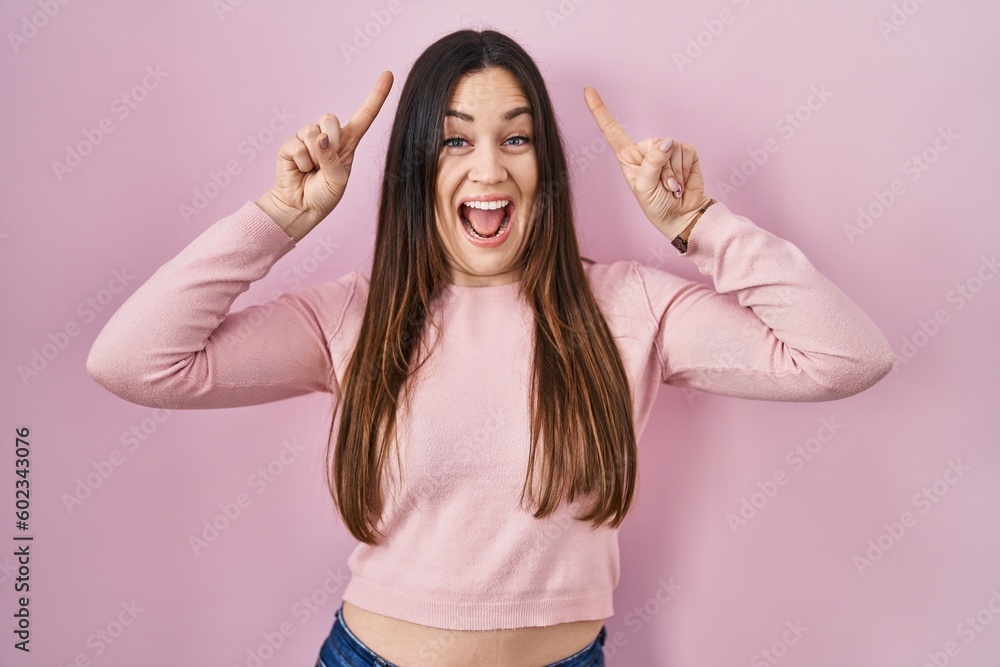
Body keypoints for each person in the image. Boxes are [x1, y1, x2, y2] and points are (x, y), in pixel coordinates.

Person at [86, 28, 894, 667]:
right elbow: (134, 359)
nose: (488, 168)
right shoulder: (355, 318)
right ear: (415, 167)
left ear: (545, 162)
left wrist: (699, 222)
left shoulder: (629, 306)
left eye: (516, 139)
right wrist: (283, 216)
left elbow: (844, 355)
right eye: (454, 140)